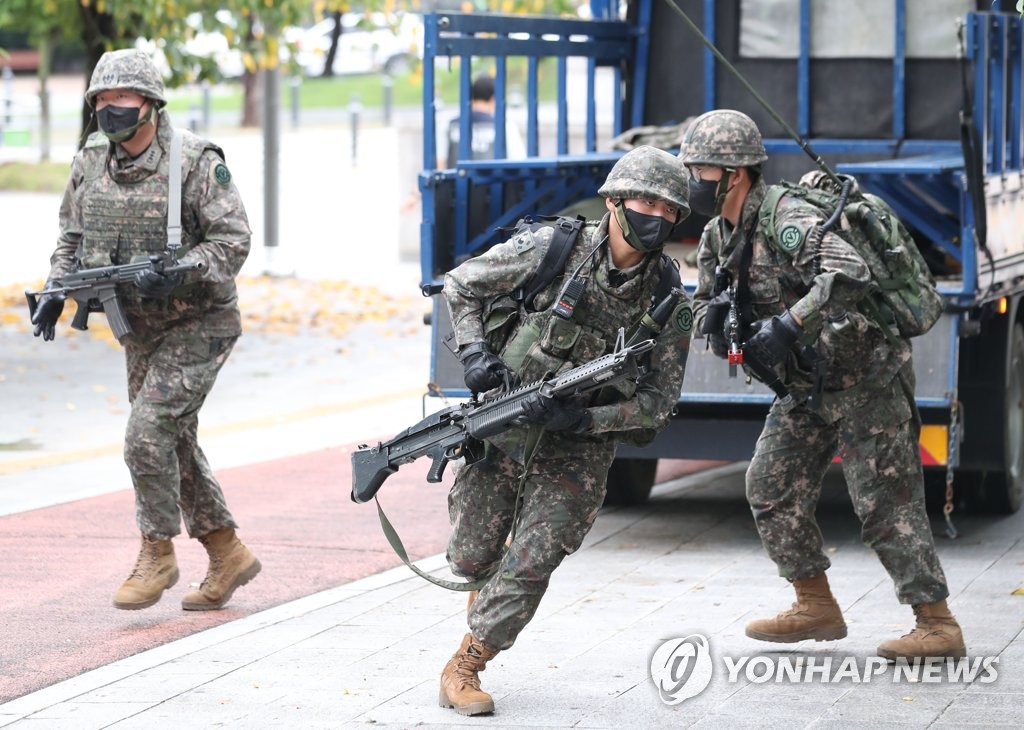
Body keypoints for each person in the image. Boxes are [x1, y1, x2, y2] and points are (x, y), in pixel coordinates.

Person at [679, 109, 965, 660]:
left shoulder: (785, 219)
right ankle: (815, 603)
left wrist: (789, 324)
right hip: (805, 388)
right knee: (769, 485)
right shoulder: (719, 234)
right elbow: (703, 302)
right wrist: (709, 321)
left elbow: (850, 272)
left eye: (699, 170)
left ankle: (937, 623)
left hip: (866, 380)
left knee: (886, 505)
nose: (691, 180)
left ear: (734, 174)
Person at [439, 145, 693, 716]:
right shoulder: (552, 248)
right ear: (614, 200)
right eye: (646, 200)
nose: (657, 214)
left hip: (577, 449)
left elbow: (657, 405)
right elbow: (461, 284)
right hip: (504, 423)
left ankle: (468, 664)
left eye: (670, 207)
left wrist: (585, 419)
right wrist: (476, 353)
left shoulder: (671, 301)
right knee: (471, 558)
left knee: (532, 561)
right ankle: (487, 601)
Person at [30, 49, 260, 612]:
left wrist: (181, 271)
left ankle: (157, 551)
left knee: (146, 434)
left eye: (122, 99)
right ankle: (227, 550)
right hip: (139, 329)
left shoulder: (195, 161)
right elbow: (72, 239)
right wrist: (57, 291)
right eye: (101, 101)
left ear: (151, 105)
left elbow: (233, 241)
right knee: (171, 441)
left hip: (202, 321)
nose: (111, 110)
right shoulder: (90, 162)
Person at [445, 73, 526, 168]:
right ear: (493, 99)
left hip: (459, 182)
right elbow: (519, 161)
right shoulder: (505, 126)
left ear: (472, 97)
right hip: (494, 182)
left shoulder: (451, 124)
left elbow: (440, 164)